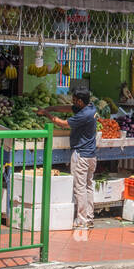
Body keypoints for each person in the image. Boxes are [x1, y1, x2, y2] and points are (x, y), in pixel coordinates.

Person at [51, 88, 97, 229]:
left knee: (80, 188)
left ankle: (82, 220)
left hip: (81, 155)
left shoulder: (83, 115)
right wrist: (52, 108)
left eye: (75, 100)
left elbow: (63, 124)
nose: (73, 102)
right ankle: (89, 217)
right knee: (88, 186)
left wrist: (47, 114)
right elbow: (69, 108)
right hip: (91, 155)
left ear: (80, 101)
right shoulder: (91, 108)